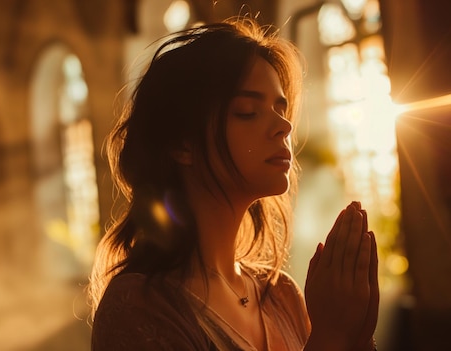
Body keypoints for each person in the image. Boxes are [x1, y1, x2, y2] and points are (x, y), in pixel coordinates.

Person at [88, 17, 379, 351]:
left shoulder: (281, 295)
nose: (283, 125)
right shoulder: (139, 307)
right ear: (183, 144)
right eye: (247, 111)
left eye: (280, 108)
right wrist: (332, 336)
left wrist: (357, 335)